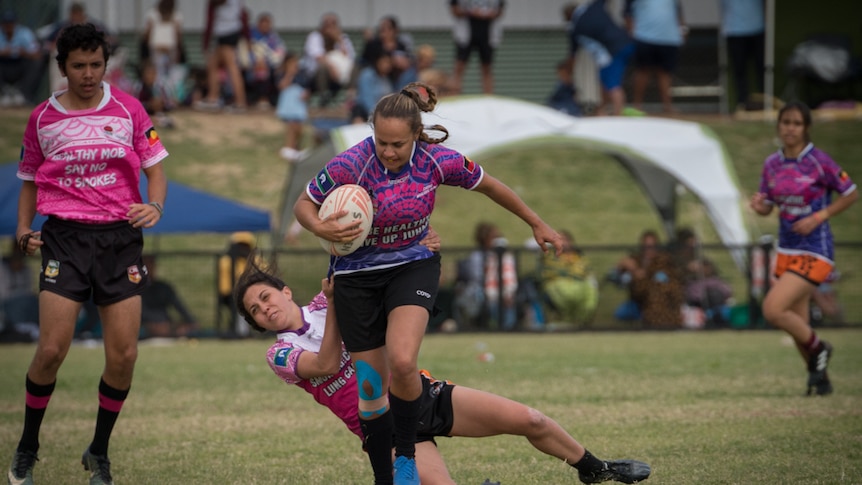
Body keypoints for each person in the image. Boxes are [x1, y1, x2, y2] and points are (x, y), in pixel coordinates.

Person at [292, 82, 565, 484]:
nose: (387, 151)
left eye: (397, 144)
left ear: (416, 136)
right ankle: (385, 477)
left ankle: (405, 455)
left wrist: (537, 222)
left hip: (411, 267)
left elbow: (491, 185)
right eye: (381, 141)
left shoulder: (437, 161)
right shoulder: (350, 163)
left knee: (403, 361)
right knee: (370, 387)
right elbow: (304, 204)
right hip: (355, 278)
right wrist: (320, 226)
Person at [234, 257, 652, 485]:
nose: (265, 308)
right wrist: (340, 308)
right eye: (255, 310)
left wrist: (420, 246)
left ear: (284, 291)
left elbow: (371, 266)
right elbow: (325, 364)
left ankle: (595, 469)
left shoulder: (328, 299)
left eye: (266, 296)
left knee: (530, 419)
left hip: (420, 395)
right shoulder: (281, 354)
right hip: (382, 427)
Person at [8, 22, 168, 485]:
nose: (89, 74)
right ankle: (27, 447)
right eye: (78, 66)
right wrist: (22, 228)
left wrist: (155, 205)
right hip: (65, 240)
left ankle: (99, 451)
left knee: (123, 356)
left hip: (120, 240)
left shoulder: (130, 110)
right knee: (52, 349)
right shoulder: (41, 118)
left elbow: (156, 168)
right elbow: (30, 179)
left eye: (96, 64)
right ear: (62, 67)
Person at [749, 101, 857, 396]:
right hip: (788, 249)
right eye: (786, 122)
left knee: (772, 309)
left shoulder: (819, 161)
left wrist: (819, 217)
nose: (790, 128)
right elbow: (768, 204)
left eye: (797, 123)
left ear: (806, 128)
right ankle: (819, 378)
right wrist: (760, 207)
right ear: (779, 126)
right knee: (798, 322)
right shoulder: (772, 164)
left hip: (815, 249)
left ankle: (821, 348)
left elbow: (850, 193)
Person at [564, 1, 635, 116]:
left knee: (612, 84)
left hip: (612, 52)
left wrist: (569, 72)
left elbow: (573, 55)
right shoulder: (593, 7)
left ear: (569, 16)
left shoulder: (575, 29)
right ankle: (601, 110)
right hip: (624, 43)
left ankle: (619, 115)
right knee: (604, 80)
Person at [624, 0, 686, 114]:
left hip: (669, 38)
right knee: (643, 70)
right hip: (644, 37)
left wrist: (682, 29)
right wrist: (632, 33)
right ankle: (637, 105)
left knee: (665, 73)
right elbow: (627, 14)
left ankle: (667, 107)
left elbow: (678, 11)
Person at [453, 222, 519, 330]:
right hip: (482, 292)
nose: (497, 240)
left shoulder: (505, 257)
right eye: (494, 237)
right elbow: (476, 277)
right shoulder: (477, 256)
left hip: (502, 293)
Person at [194, 0, 249, 112]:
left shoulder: (214, 3)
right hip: (233, 31)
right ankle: (213, 99)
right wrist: (247, 36)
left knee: (232, 67)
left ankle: (240, 103)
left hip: (225, 33)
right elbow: (243, 15)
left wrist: (205, 43)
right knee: (213, 65)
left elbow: (210, 20)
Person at [297, 12, 356, 107]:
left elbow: (349, 58)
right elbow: (319, 58)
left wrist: (338, 40)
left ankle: (349, 100)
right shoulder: (315, 36)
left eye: (333, 24)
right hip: (314, 77)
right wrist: (332, 68)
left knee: (357, 69)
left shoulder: (343, 38)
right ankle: (324, 97)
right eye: (327, 25)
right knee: (323, 67)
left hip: (340, 76)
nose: (330, 28)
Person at [540, 230, 598, 325]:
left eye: (565, 240)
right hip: (557, 286)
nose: (563, 243)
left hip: (579, 286)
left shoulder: (580, 257)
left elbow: (585, 272)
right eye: (560, 239)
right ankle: (565, 320)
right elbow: (549, 272)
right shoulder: (550, 257)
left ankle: (579, 322)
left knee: (590, 289)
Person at [449, 0, 505, 95]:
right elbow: (455, 10)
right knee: (459, 66)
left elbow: (500, 11)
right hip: (466, 34)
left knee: (487, 67)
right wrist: (472, 12)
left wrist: (489, 14)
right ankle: (454, 94)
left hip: (487, 34)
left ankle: (488, 97)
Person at [719, 0, 765, 111]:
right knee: (739, 70)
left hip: (757, 28)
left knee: (761, 68)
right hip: (734, 31)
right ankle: (742, 102)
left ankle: (763, 101)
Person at [140, 0, 186, 112]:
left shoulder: (177, 15)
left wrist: (179, 51)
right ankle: (158, 100)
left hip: (171, 51)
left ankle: (170, 100)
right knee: (157, 77)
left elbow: (178, 35)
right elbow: (147, 33)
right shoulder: (152, 14)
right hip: (156, 51)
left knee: (171, 78)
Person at [140, 255, 197, 338]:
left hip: (166, 325)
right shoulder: (135, 289)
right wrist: (154, 323)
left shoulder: (163, 287)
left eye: (151, 264)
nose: (149, 268)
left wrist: (190, 322)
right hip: (144, 326)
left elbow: (180, 307)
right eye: (146, 265)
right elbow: (140, 311)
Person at [216, 231, 257, 337]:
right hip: (229, 294)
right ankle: (239, 332)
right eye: (240, 246)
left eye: (245, 246)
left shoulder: (254, 260)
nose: (242, 249)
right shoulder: (226, 260)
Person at [0, 9, 43, 107]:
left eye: (10, 23)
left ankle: (24, 95)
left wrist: (24, 52)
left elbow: (37, 55)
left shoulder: (24, 33)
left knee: (36, 63)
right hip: (3, 66)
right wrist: (3, 52)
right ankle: (3, 94)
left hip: (20, 66)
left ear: (15, 24)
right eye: (6, 23)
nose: (8, 26)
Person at [361, 15, 416, 90]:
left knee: (410, 73)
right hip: (377, 75)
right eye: (382, 29)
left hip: (396, 75)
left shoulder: (400, 44)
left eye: (388, 29)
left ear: (395, 30)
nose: (384, 32)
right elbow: (364, 61)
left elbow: (409, 60)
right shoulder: (374, 44)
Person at [245, 11, 286, 109]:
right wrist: (256, 61)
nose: (265, 26)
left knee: (281, 72)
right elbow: (245, 53)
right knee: (262, 71)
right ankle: (262, 99)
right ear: (259, 24)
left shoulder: (273, 37)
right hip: (252, 67)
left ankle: (279, 101)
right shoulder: (250, 36)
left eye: (268, 24)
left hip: (272, 66)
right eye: (263, 23)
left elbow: (281, 51)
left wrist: (279, 63)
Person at [0, 239, 39, 340]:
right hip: (8, 304)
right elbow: (4, 293)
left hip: (25, 304)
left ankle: (31, 328)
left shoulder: (26, 270)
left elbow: (29, 290)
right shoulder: (3, 269)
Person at [275, 50, 309, 162]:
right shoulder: (281, 74)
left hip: (298, 104)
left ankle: (296, 149)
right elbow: (282, 86)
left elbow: (307, 89)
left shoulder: (302, 75)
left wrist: (305, 94)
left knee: (299, 127)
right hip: (288, 104)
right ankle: (288, 147)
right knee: (291, 125)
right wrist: (289, 74)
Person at [351, 50, 396, 124]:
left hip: (382, 113)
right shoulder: (367, 75)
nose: (387, 65)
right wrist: (377, 116)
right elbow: (366, 99)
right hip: (363, 111)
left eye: (389, 62)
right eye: (384, 62)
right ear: (377, 62)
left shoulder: (387, 79)